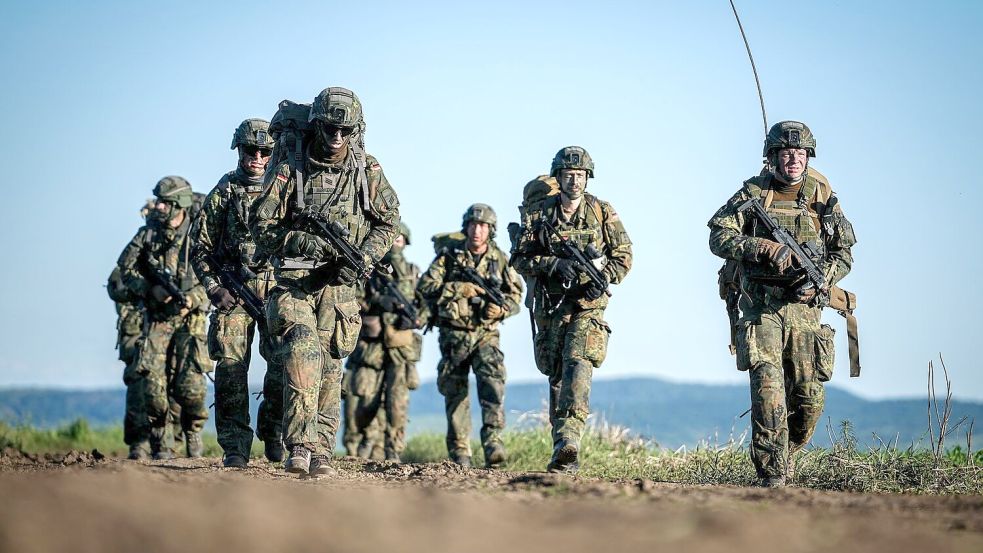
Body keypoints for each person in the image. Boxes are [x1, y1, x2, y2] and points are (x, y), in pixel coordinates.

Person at [251, 87, 400, 476]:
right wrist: (300, 240)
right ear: (317, 125)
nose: (337, 138)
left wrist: (364, 257)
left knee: (331, 369)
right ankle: (298, 445)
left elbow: (388, 222)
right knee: (302, 350)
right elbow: (261, 223)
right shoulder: (290, 168)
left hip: (340, 289)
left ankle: (321, 452)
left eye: (345, 131)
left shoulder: (367, 170)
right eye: (331, 129)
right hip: (295, 282)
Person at [708, 121, 856, 487]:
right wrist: (762, 247)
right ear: (772, 156)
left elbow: (844, 253)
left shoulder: (823, 198)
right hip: (762, 310)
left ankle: (784, 452)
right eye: (786, 153)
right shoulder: (754, 194)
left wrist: (822, 280)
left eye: (800, 153)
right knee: (768, 390)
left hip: (806, 314)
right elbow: (718, 235)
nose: (793, 159)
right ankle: (772, 476)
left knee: (808, 402)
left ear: (808, 157)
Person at [509, 146, 633, 473]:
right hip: (552, 305)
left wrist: (605, 277)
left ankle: (570, 441)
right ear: (559, 178)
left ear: (587, 178)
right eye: (568, 175)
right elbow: (519, 259)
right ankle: (560, 447)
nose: (574, 181)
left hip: (589, 306)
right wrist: (552, 264)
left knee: (578, 363)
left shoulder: (603, 212)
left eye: (580, 175)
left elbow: (624, 253)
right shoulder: (539, 215)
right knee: (555, 372)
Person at [191, 118, 284, 467]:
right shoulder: (225, 191)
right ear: (239, 151)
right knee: (230, 369)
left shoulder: (284, 188)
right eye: (250, 150)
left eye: (264, 151)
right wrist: (214, 288)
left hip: (276, 293)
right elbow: (200, 247)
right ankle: (235, 448)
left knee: (282, 367)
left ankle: (273, 431)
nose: (256, 158)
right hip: (233, 293)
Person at [418, 204, 523, 468]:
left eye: (483, 226)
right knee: (456, 394)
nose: (477, 231)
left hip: (486, 334)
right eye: (473, 225)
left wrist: (500, 310)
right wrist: (459, 288)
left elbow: (516, 297)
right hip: (454, 334)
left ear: (491, 230)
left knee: (493, 384)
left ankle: (493, 442)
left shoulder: (499, 259)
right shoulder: (448, 256)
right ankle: (460, 452)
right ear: (465, 227)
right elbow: (426, 286)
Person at [117, 176, 211, 460]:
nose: (157, 207)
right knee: (153, 387)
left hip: (191, 318)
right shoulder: (147, 235)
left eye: (164, 202)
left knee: (191, 388)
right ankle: (162, 444)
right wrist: (150, 289)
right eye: (157, 201)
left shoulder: (202, 233)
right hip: (157, 319)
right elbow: (125, 270)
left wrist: (194, 299)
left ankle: (193, 434)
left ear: (179, 205)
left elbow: (219, 274)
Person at [345, 222, 425, 462]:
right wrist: (378, 301)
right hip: (372, 346)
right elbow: (354, 298)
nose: (396, 244)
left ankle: (394, 449)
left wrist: (415, 319)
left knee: (397, 402)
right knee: (366, 399)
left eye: (400, 240)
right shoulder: (369, 271)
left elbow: (425, 304)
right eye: (393, 239)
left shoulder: (412, 272)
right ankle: (368, 437)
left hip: (400, 347)